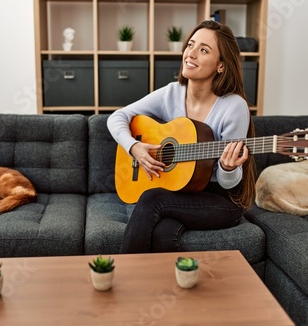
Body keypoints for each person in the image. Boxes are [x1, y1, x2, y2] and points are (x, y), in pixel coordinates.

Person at [107, 20, 256, 253]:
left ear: (221, 66)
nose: (191, 54)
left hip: (220, 200)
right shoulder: (172, 93)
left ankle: (124, 280)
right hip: (181, 193)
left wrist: (227, 168)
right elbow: (118, 117)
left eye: (203, 50)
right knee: (163, 232)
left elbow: (230, 182)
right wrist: (134, 146)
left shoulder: (234, 107)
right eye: (191, 45)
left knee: (151, 199)